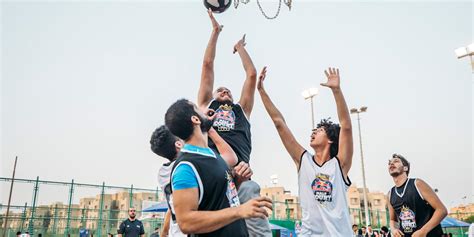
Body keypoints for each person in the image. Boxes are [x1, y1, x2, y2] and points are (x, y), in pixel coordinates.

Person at [258, 66, 354, 236]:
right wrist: (261, 91)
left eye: (320, 130)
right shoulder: (304, 160)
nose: (313, 132)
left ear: (331, 139)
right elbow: (279, 123)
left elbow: (346, 126)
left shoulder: (340, 165)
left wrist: (337, 91)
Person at [164, 99, 272, 236]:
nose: (205, 111)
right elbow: (186, 222)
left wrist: (238, 179)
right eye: (198, 109)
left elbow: (222, 197)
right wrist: (239, 211)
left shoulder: (211, 155)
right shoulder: (185, 167)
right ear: (196, 119)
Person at [150, 124, 251, 236]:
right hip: (194, 229)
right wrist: (209, 129)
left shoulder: (163, 173)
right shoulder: (192, 165)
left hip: (176, 231)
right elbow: (231, 158)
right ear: (179, 144)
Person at [197, 10, 257, 165]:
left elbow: (251, 74)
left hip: (240, 169)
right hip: (212, 164)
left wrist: (240, 48)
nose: (225, 91)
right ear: (212, 94)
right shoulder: (207, 104)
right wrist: (215, 32)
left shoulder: (242, 109)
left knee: (251, 188)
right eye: (220, 90)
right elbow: (207, 65)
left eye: (228, 91)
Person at [387, 154, 447, 237]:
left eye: (396, 161)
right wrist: (393, 229)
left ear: (405, 168)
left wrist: (423, 231)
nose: (391, 164)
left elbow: (442, 210)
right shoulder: (390, 194)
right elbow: (392, 219)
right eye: (389, 163)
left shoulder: (417, 184)